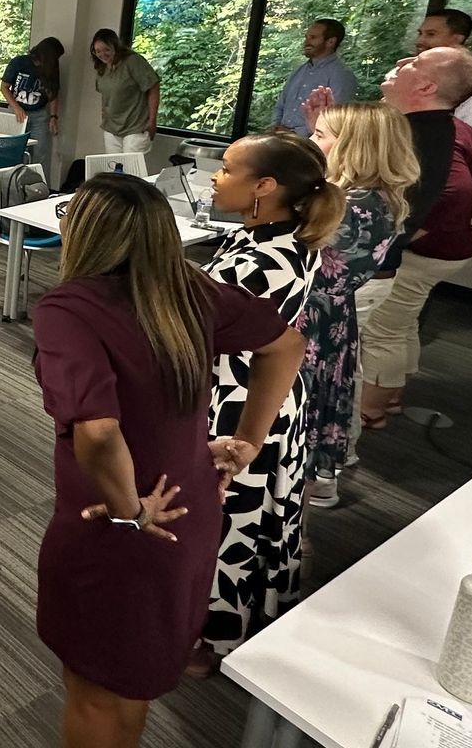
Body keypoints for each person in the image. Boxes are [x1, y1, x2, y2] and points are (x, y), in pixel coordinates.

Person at [31, 175, 301, 748]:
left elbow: (100, 432)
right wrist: (249, 439)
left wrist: (130, 512)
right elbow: (286, 346)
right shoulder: (191, 290)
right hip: (190, 508)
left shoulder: (70, 308)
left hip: (122, 522)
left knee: (93, 696)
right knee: (134, 681)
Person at [196, 134, 342, 668]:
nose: (215, 175)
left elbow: (197, 323)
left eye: (228, 168)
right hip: (251, 386)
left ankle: (215, 638)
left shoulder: (265, 260)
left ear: (265, 186)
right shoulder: (268, 235)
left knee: (228, 521)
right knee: (243, 516)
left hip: (243, 398)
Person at [300, 103, 418, 508]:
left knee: (305, 401)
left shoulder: (347, 207)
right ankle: (319, 477)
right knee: (326, 396)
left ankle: (300, 486)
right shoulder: (380, 198)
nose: (309, 141)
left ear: (352, 147)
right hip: (337, 313)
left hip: (312, 315)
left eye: (319, 135)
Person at [360, 81, 472, 427]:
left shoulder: (432, 133)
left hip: (426, 251)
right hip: (446, 249)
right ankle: (394, 395)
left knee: (382, 331)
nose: (386, 86)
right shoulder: (455, 127)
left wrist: (407, 234)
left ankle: (371, 411)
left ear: (426, 88)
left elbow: (456, 192)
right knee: (402, 324)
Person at [416, 8, 472, 139]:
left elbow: (467, 132)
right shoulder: (411, 71)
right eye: (420, 33)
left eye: (431, 34)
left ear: (456, 39)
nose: (420, 41)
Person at [269, 19, 357, 136]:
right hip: (281, 140)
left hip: (311, 146)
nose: (306, 42)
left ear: (330, 42)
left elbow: (337, 118)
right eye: (306, 37)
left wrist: (295, 134)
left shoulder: (342, 75)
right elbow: (280, 105)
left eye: (313, 37)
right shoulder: (299, 71)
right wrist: (274, 127)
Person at [91, 28, 159, 157]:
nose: (102, 54)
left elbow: (153, 86)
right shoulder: (102, 68)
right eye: (98, 51)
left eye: (106, 49)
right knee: (113, 170)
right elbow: (106, 95)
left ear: (115, 46)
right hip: (111, 127)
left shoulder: (133, 61)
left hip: (135, 126)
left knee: (131, 169)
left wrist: (152, 120)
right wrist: (104, 114)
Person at [1, 37, 63, 172]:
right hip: (17, 112)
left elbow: (53, 94)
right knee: (14, 152)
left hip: (39, 114)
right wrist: (16, 107)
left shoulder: (52, 69)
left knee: (40, 153)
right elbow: (4, 87)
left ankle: (37, 186)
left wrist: (54, 117)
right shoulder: (19, 62)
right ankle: (13, 185)